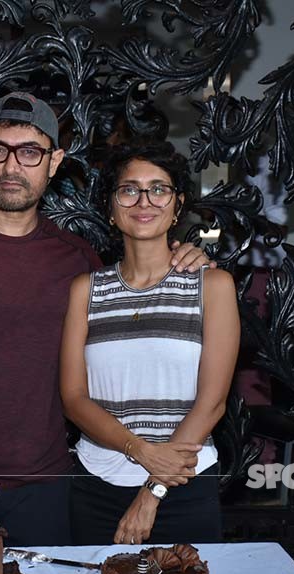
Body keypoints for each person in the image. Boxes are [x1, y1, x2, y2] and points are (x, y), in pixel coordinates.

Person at [0, 92, 210, 546]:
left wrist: (183, 259)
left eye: (30, 152)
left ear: (54, 162)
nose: (13, 167)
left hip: (45, 485)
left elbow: (136, 322)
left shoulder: (76, 260)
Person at [60, 141, 240, 545]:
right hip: (97, 483)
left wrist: (152, 490)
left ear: (177, 206)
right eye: (129, 189)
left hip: (183, 486)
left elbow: (212, 403)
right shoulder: (84, 291)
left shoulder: (212, 286)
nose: (145, 200)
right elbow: (74, 398)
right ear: (111, 206)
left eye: (159, 189)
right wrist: (138, 449)